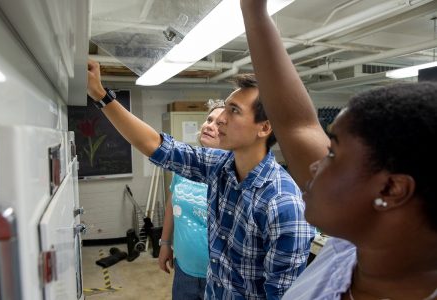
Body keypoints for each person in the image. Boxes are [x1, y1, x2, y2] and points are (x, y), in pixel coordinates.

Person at [240, 1, 437, 299]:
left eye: (333, 153)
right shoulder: (354, 250)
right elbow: (296, 124)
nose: (316, 164)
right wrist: (254, 12)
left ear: (390, 189)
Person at [87, 59, 316, 300]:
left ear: (265, 127)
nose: (221, 119)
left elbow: (283, 295)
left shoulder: (282, 204)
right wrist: (100, 95)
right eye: (225, 108)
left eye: (234, 111)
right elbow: (154, 145)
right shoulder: (219, 165)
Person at [158, 99, 225, 300]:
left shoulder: (231, 174)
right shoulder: (186, 166)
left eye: (220, 124)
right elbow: (172, 204)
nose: (210, 126)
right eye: (209, 120)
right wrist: (165, 243)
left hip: (219, 277)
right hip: (184, 270)